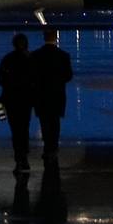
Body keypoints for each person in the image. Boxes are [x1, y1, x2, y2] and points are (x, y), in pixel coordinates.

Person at [30, 30, 74, 160]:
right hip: (57, 93)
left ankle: (47, 146)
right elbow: (68, 75)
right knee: (55, 122)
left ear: (44, 37)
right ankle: (53, 147)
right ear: (55, 38)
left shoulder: (35, 55)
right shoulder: (63, 55)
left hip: (41, 94)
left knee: (44, 122)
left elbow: (32, 75)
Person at [0, 32, 36, 170]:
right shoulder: (31, 59)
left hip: (11, 99)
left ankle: (19, 156)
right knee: (24, 128)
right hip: (26, 99)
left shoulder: (8, 59)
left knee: (15, 129)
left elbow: (0, 79)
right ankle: (23, 156)